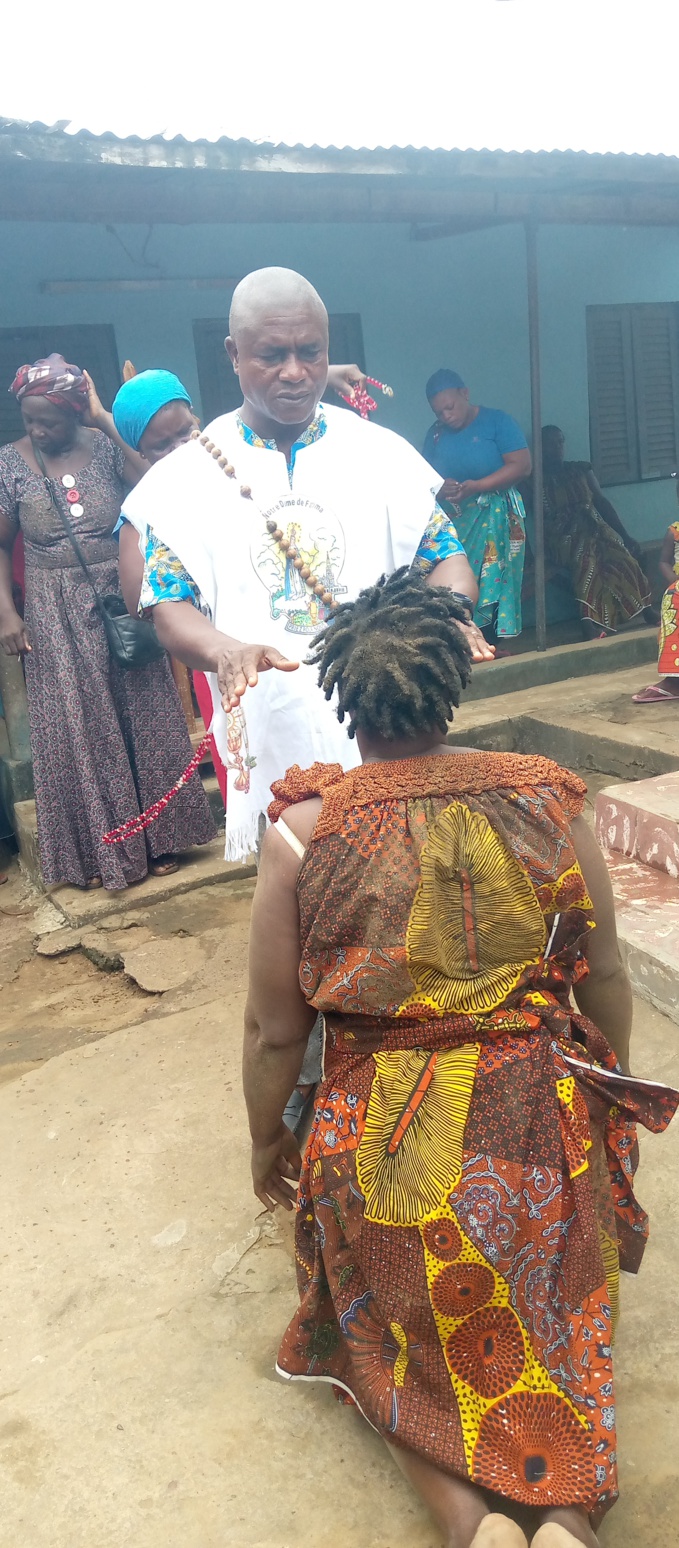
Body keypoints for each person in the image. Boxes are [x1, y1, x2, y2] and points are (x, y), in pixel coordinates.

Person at [243, 567, 678, 1548]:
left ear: (342, 693)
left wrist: (265, 1139)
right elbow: (601, 973)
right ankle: (565, 1516)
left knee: (387, 1342)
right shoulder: (546, 798)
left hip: (384, 1136)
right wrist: (602, 1091)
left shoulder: (306, 830)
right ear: (452, 681)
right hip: (537, 1112)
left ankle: (469, 1526)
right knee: (556, 1333)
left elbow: (274, 1030)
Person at [120, 268, 490, 869]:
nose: (295, 371)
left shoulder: (380, 452)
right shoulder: (186, 477)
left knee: (410, 883)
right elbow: (167, 605)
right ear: (233, 355)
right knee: (301, 889)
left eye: (310, 352)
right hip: (272, 719)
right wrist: (223, 649)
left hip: (387, 719)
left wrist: (446, 617)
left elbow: (445, 558)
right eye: (272, 354)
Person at [0, 354, 215, 890]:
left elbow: (159, 482)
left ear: (73, 413)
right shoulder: (9, 465)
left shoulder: (101, 447)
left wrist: (105, 422)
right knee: (78, 724)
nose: (36, 428)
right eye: (28, 418)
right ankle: (99, 852)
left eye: (46, 419)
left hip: (119, 594)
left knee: (144, 711)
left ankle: (161, 839)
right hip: (53, 609)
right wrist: (7, 612)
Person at [422, 369, 531, 643]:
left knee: (496, 575)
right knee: (457, 575)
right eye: (439, 413)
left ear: (465, 394)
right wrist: (440, 488)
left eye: (450, 407)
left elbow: (522, 466)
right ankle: (463, 637)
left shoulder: (497, 422)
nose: (446, 416)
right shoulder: (435, 436)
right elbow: (424, 479)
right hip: (457, 520)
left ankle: (494, 638)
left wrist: (477, 486)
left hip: (497, 517)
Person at [539, 427, 653, 640]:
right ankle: (588, 623)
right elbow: (527, 516)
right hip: (562, 537)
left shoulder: (581, 469)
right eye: (551, 443)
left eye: (560, 442)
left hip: (595, 528)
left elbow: (601, 502)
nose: (557, 448)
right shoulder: (534, 480)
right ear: (540, 447)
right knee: (586, 560)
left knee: (622, 554)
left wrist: (625, 536)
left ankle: (646, 609)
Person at [632, 503, 679, 702]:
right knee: (673, 595)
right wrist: (675, 581)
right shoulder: (674, 532)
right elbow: (664, 562)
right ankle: (674, 680)